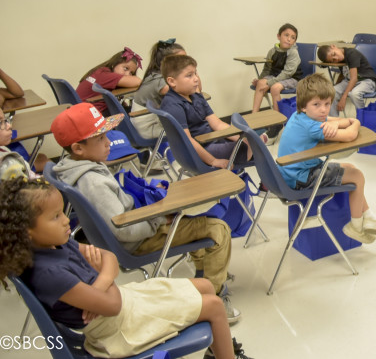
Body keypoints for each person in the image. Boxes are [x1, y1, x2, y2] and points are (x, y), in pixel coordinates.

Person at [0, 173, 251, 359]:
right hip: (116, 329)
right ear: (26, 232)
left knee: (206, 285)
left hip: (120, 303)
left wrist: (100, 283)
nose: (67, 220)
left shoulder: (56, 243)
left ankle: (216, 351)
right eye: (55, 217)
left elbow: (109, 258)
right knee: (215, 306)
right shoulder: (49, 273)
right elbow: (112, 305)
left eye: (62, 212)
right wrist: (105, 283)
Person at [49, 103, 242, 323]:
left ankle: (204, 274)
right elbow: (124, 230)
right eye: (101, 139)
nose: (109, 142)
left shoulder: (76, 167)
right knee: (218, 230)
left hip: (138, 225)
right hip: (136, 240)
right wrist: (159, 217)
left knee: (196, 218)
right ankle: (214, 296)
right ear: (78, 148)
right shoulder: (92, 181)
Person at [277, 74, 376, 244]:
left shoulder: (302, 116)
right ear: (303, 106)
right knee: (357, 176)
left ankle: (368, 216)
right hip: (302, 178)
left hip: (291, 173)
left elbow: (338, 121)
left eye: (327, 104)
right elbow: (349, 135)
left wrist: (337, 123)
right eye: (317, 104)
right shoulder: (312, 126)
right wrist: (355, 122)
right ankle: (355, 226)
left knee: (348, 167)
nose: (323, 110)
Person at [160, 54, 264, 169]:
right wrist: (213, 161)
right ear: (172, 81)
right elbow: (187, 141)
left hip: (212, 140)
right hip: (201, 150)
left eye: (195, 73)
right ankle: (252, 152)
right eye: (189, 76)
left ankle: (252, 150)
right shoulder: (173, 105)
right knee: (254, 148)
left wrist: (242, 138)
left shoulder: (195, 95)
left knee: (255, 145)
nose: (196, 79)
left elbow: (217, 124)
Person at [131, 39, 188, 139]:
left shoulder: (155, 74)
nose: (186, 63)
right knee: (193, 128)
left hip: (147, 124)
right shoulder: (161, 83)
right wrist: (191, 72)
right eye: (180, 59)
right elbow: (190, 93)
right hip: (149, 128)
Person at [317, 43, 376, 117]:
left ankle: (363, 119)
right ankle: (335, 122)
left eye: (334, 54)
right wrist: (335, 87)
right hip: (349, 81)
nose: (336, 58)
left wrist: (343, 98)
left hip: (367, 80)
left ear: (333, 46)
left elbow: (354, 78)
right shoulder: (339, 58)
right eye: (333, 60)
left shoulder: (352, 54)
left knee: (354, 94)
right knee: (332, 92)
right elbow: (343, 74)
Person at [251, 23, 302, 115]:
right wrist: (259, 80)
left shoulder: (293, 52)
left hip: (292, 78)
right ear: (279, 36)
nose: (289, 39)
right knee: (260, 83)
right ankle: (254, 115)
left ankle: (277, 120)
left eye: (293, 37)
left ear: (294, 41)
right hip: (276, 76)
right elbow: (267, 69)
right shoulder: (272, 51)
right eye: (286, 35)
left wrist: (270, 83)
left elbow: (287, 73)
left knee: (275, 88)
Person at [76, 48, 143, 115]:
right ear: (114, 64)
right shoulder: (105, 75)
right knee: (138, 113)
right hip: (92, 116)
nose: (127, 74)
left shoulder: (101, 72)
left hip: (85, 112)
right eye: (125, 68)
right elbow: (138, 81)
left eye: (131, 73)